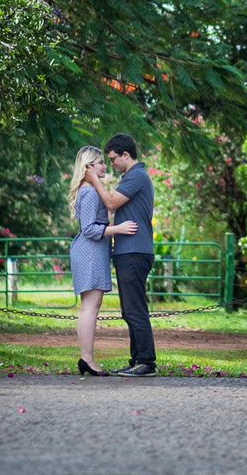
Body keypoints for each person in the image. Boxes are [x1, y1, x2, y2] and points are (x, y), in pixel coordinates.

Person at [84, 133, 157, 377]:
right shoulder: (133, 176)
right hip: (129, 251)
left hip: (135, 251)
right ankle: (137, 359)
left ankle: (146, 362)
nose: (111, 163)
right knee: (130, 310)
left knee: (135, 310)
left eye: (113, 158)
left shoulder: (136, 175)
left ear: (126, 155)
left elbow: (111, 203)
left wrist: (94, 179)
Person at [67, 145, 137, 377]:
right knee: (90, 308)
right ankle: (87, 358)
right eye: (100, 163)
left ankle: (87, 358)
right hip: (89, 252)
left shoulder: (88, 190)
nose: (105, 166)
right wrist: (118, 228)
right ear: (88, 167)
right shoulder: (89, 192)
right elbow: (88, 229)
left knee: (89, 308)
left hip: (92, 252)